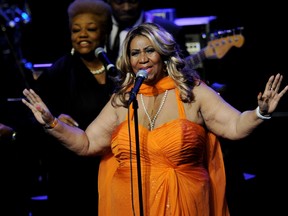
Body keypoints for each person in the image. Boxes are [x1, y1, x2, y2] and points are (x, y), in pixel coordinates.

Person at [22, 22, 288, 215]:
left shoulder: (192, 91)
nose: (142, 59)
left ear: (163, 53)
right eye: (135, 53)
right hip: (132, 204)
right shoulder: (123, 99)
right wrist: (52, 123)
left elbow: (234, 126)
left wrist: (261, 112)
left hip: (184, 203)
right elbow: (88, 144)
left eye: (150, 50)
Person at [33, 0, 116, 215]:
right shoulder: (59, 71)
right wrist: (55, 118)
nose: (82, 35)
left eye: (91, 29)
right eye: (76, 30)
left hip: (114, 161)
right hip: (73, 169)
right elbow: (37, 110)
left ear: (104, 32)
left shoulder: (118, 66)